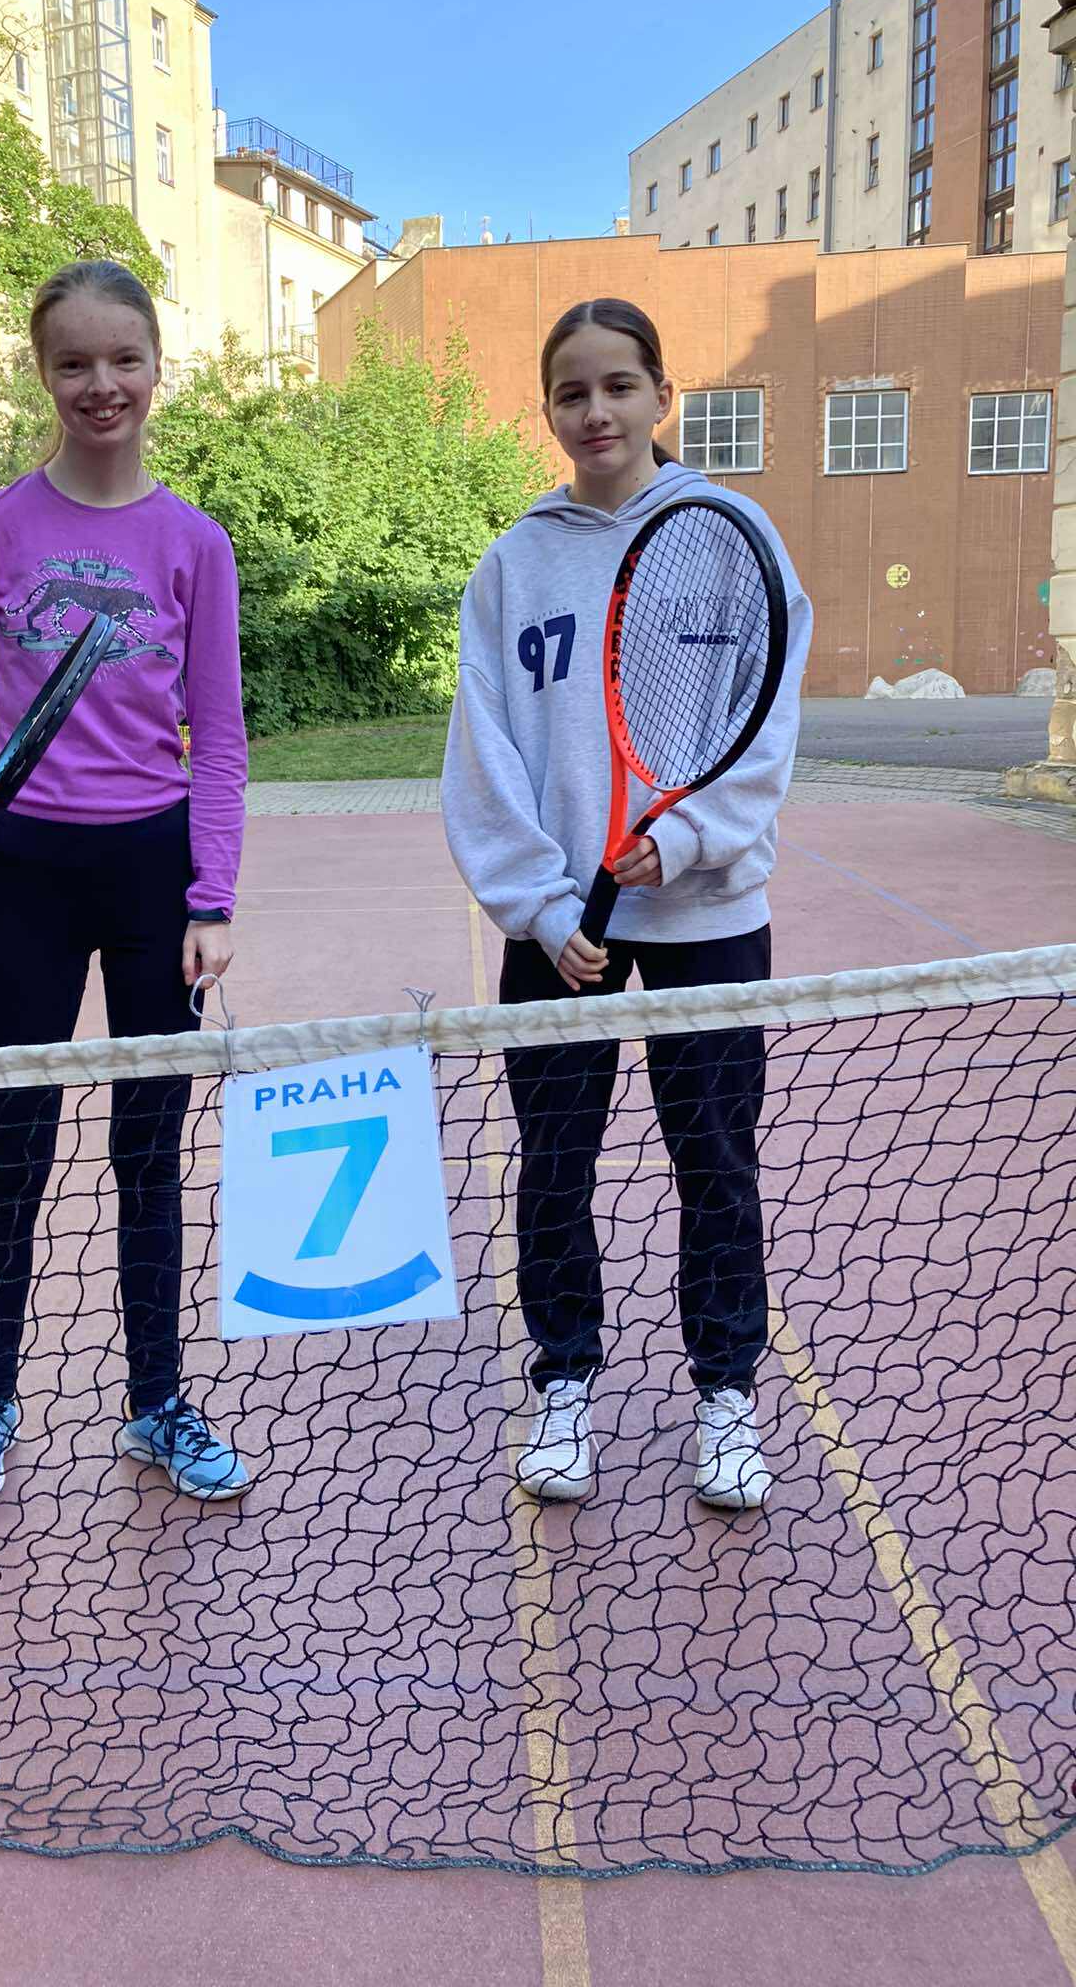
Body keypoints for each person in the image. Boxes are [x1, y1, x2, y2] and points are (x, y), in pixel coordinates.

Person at [441, 298, 812, 1511]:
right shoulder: (513, 564)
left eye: (618, 386)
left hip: (708, 917)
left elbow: (765, 723)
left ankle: (726, 1397)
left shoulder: (735, 537)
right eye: (571, 392)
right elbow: (483, 753)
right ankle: (563, 1382)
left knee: (716, 1163)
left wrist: (690, 836)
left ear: (663, 395)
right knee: (554, 1166)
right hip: (565, 932)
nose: (595, 411)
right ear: (548, 409)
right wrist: (544, 907)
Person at [0, 260, 250, 1506]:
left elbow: (219, 735)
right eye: (74, 362)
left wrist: (211, 896)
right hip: (27, 873)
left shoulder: (195, 542)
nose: (101, 384)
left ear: (157, 367)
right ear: (42, 373)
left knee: (148, 1150)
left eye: (123, 359)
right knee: (18, 1144)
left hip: (153, 873)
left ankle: (156, 1401)